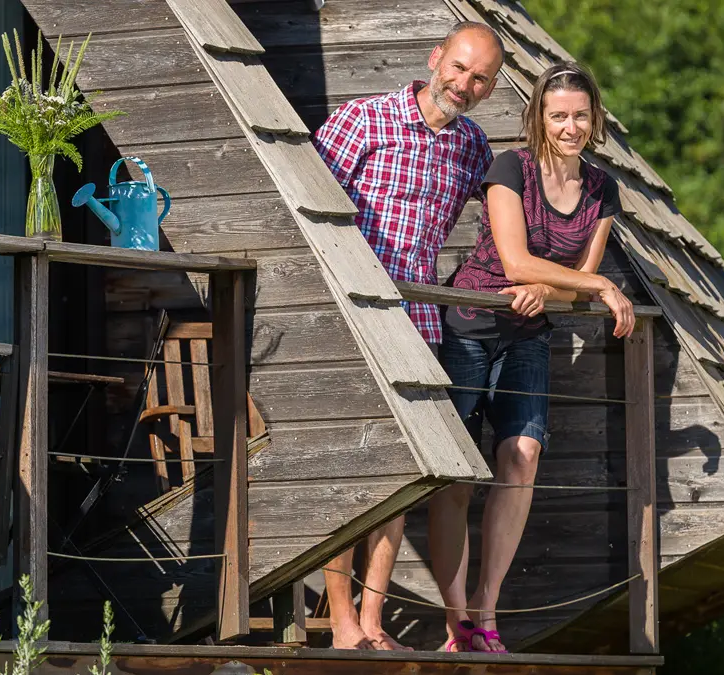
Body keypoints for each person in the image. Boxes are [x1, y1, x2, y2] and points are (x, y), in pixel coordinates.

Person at [312, 21, 541, 651]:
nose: (463, 84)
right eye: (459, 68)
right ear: (435, 57)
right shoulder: (363, 119)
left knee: (405, 475)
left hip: (419, 324)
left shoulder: (472, 146)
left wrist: (549, 275)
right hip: (354, 314)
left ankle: (374, 620)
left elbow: (513, 214)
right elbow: (304, 209)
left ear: (490, 90)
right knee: (356, 470)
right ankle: (341, 623)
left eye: (479, 79)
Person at [429, 62, 636, 653]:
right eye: (558, 115)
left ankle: (487, 611)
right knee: (456, 474)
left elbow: (576, 281)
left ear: (594, 118)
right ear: (539, 118)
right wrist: (592, 288)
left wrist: (566, 289)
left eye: (580, 115)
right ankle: (455, 621)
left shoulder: (602, 190)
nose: (570, 126)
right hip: (469, 323)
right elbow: (518, 263)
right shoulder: (508, 168)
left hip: (528, 332)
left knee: (521, 458)